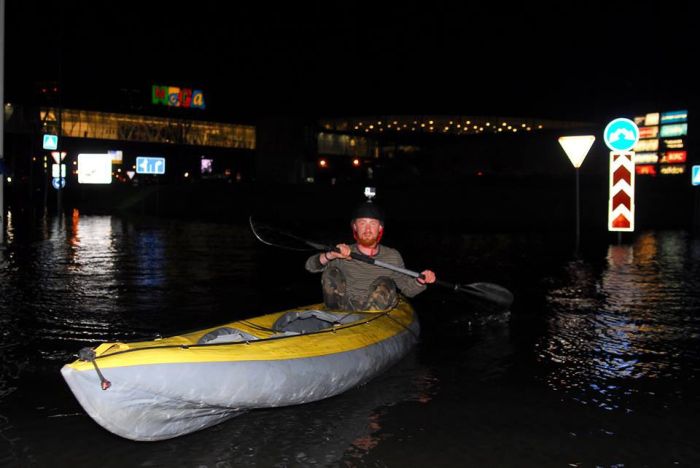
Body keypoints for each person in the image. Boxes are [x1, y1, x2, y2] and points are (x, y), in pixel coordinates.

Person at [305, 201, 436, 310]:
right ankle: (334, 316)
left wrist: (420, 281)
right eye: (362, 223)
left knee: (386, 282)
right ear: (355, 227)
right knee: (331, 272)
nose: (367, 229)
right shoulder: (343, 252)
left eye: (372, 223)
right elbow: (310, 266)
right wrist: (331, 255)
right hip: (344, 308)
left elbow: (408, 290)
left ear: (380, 228)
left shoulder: (392, 255)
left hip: (375, 315)